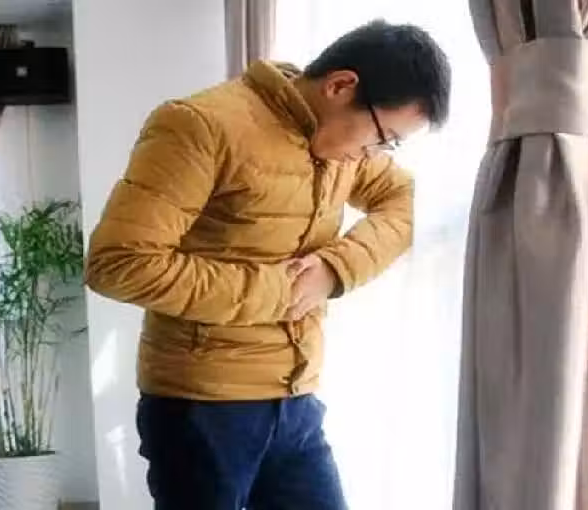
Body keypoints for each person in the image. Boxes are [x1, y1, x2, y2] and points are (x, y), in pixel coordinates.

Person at [86, 19, 450, 510]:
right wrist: (281, 291)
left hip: (298, 404)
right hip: (201, 406)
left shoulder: (344, 147)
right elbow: (119, 263)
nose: (373, 155)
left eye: (389, 146)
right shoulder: (200, 125)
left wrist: (334, 271)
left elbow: (402, 201)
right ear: (340, 86)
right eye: (382, 137)